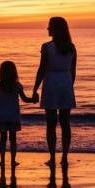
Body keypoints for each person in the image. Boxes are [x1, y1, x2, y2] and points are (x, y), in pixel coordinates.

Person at [32, 17, 76, 166]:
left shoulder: (46, 47)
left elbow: (42, 69)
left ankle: (52, 157)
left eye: (49, 26)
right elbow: (73, 71)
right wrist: (69, 86)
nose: (47, 29)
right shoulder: (71, 47)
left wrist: (35, 88)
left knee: (51, 123)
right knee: (65, 122)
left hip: (51, 84)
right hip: (66, 84)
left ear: (56, 29)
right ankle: (64, 157)